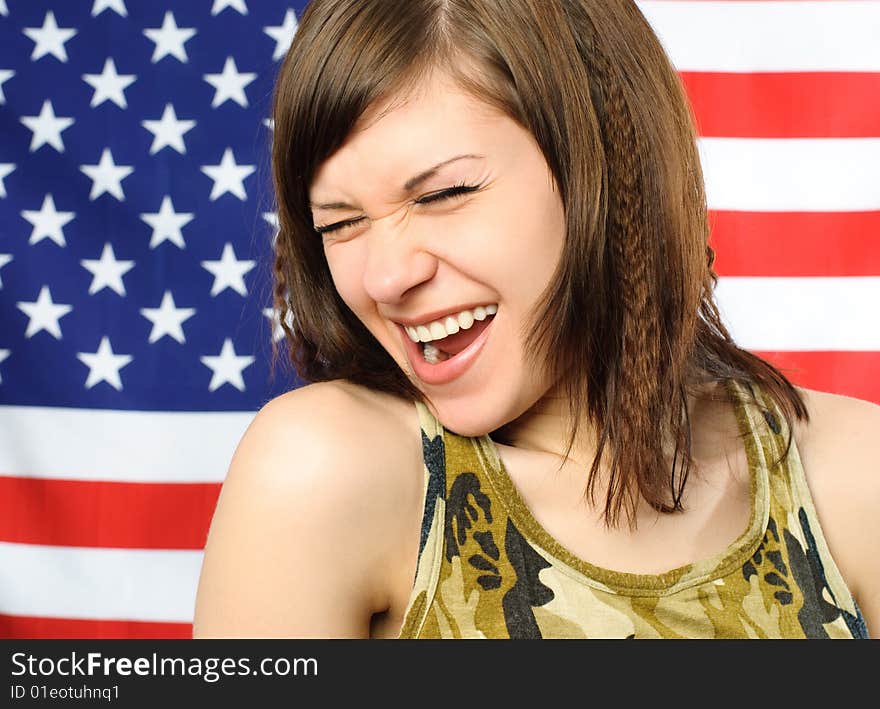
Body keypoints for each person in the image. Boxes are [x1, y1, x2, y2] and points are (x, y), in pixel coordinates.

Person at [192, 0, 878, 639]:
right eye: (340, 224)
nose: (386, 277)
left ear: (607, 166)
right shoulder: (325, 470)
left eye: (443, 193)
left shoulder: (848, 474)